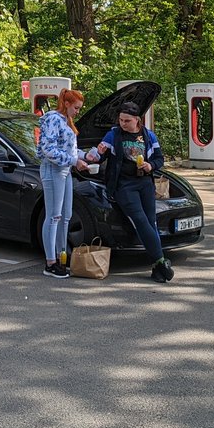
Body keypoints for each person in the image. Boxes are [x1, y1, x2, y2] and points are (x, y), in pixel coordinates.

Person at [97, 102, 174, 283]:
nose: (123, 123)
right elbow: (99, 155)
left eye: (127, 120)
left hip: (145, 183)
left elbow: (159, 158)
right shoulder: (114, 134)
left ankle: (157, 268)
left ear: (137, 120)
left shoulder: (148, 135)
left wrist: (151, 165)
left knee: (151, 222)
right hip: (123, 185)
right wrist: (98, 153)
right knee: (139, 220)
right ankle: (161, 261)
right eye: (121, 120)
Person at [36, 88, 95, 278]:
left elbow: (70, 151)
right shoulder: (54, 118)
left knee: (66, 216)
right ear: (67, 104)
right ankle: (50, 262)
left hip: (64, 171)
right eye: (76, 108)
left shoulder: (66, 121)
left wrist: (87, 156)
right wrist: (74, 161)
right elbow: (48, 149)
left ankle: (63, 256)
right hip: (53, 170)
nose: (78, 111)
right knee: (54, 216)